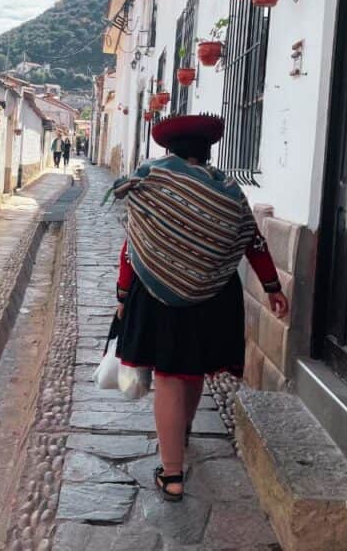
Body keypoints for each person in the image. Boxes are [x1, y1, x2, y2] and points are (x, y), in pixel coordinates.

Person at [110, 113, 289, 503]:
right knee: (191, 371)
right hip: (214, 296)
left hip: (158, 296)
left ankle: (172, 474)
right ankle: (184, 430)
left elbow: (132, 244)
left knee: (170, 376)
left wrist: (123, 295)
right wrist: (273, 286)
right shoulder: (228, 190)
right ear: (208, 151)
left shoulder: (153, 181)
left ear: (170, 149)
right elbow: (252, 241)